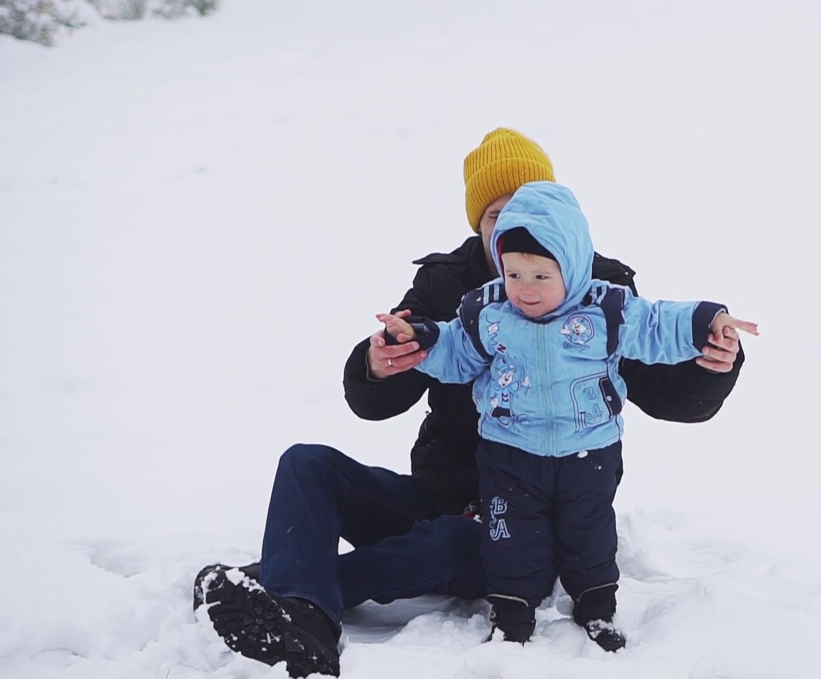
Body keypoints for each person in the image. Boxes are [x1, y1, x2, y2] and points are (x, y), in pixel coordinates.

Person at [192, 128, 747, 678]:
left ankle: (292, 591)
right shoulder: (447, 285)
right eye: (494, 215)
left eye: (527, 207)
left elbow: (672, 397)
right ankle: (298, 602)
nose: (512, 226)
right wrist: (376, 362)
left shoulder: (598, 291)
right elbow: (379, 397)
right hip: (437, 495)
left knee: (458, 543)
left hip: (519, 523)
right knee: (306, 463)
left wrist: (714, 366)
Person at [377, 181, 758, 651]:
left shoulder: (607, 309)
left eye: (541, 277)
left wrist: (708, 322)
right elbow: (454, 349)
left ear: (572, 266)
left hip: (589, 451)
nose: (525, 290)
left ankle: (595, 608)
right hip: (509, 452)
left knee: (589, 532)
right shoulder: (488, 312)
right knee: (511, 539)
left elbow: (658, 324)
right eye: (514, 274)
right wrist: (418, 337)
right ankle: (512, 616)